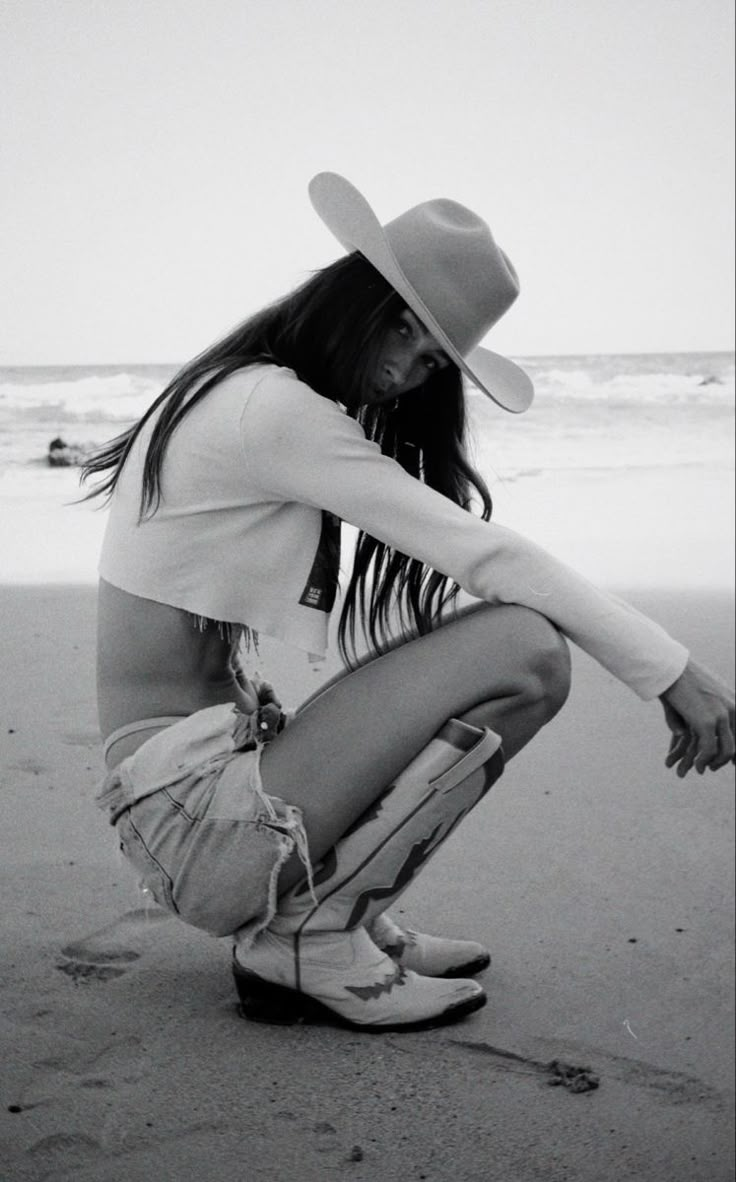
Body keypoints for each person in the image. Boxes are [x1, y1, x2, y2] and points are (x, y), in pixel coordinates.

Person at [83, 172, 734, 1033]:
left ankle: (336, 907)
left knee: (489, 643)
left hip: (194, 807)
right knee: (524, 650)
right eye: (423, 353)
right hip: (197, 826)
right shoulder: (270, 409)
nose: (413, 380)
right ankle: (310, 932)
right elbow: (490, 556)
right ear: (380, 311)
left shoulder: (251, 390)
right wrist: (670, 667)